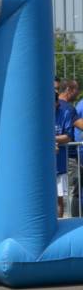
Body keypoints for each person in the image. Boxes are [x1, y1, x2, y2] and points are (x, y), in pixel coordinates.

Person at [58, 79, 83, 216]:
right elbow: (81, 125)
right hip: (69, 157)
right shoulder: (68, 108)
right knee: (74, 190)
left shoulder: (52, 105)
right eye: (76, 89)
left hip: (59, 155)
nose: (78, 93)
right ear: (69, 89)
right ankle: (74, 220)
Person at [55, 90, 76, 217]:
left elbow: (68, 136)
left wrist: (50, 139)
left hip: (59, 165)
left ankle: (59, 225)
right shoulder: (38, 113)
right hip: (40, 169)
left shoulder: (65, 113)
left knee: (59, 200)